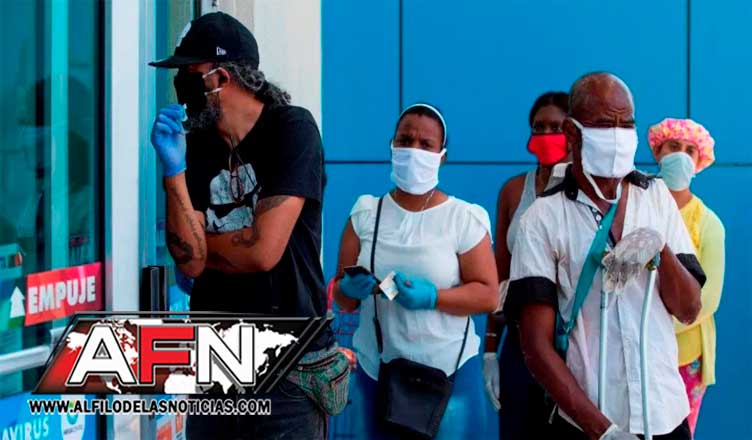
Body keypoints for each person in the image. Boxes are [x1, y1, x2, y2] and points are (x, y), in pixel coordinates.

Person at [148, 12, 341, 439]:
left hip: (287, 369)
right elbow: (189, 261)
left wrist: (204, 247)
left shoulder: (291, 129)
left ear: (221, 77)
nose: (180, 87)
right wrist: (174, 171)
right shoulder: (195, 146)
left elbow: (262, 252)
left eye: (188, 75)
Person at [504, 72, 706, 440]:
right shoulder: (543, 218)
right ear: (572, 132)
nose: (617, 135)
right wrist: (602, 430)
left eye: (626, 124)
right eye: (604, 124)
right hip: (588, 423)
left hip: (665, 413)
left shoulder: (656, 198)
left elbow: (689, 309)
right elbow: (535, 345)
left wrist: (659, 246)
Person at [333, 103, 498, 439]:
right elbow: (342, 298)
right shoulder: (366, 214)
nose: (413, 150)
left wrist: (433, 297)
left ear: (442, 156)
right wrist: (348, 289)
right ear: (392, 146)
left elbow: (488, 295)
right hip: (378, 374)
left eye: (426, 144)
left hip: (448, 376)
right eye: (405, 140)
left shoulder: (463, 218)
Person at [483, 91, 571, 439]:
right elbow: (500, 275)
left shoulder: (587, 190)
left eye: (557, 127)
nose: (547, 134)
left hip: (573, 344)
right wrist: (491, 349)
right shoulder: (513, 191)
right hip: (520, 341)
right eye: (539, 127)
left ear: (574, 133)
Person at [648, 118, 725, 436]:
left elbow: (709, 298)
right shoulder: (634, 205)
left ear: (699, 161)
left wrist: (655, 326)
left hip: (684, 354)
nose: (680, 155)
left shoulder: (708, 223)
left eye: (689, 150)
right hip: (631, 351)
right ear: (658, 152)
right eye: (673, 146)